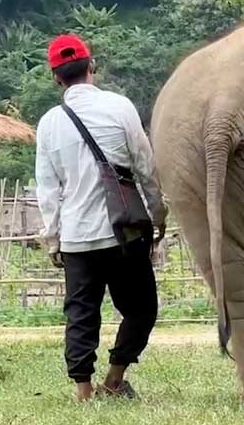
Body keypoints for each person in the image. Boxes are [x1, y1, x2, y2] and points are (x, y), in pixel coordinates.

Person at [34, 33, 168, 401]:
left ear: (56, 77)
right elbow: (145, 167)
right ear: (92, 67)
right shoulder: (120, 107)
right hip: (124, 234)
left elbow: (47, 189)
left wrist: (53, 239)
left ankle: (83, 391)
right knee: (141, 310)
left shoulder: (49, 123)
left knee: (81, 315)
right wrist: (158, 215)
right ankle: (114, 379)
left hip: (77, 237)